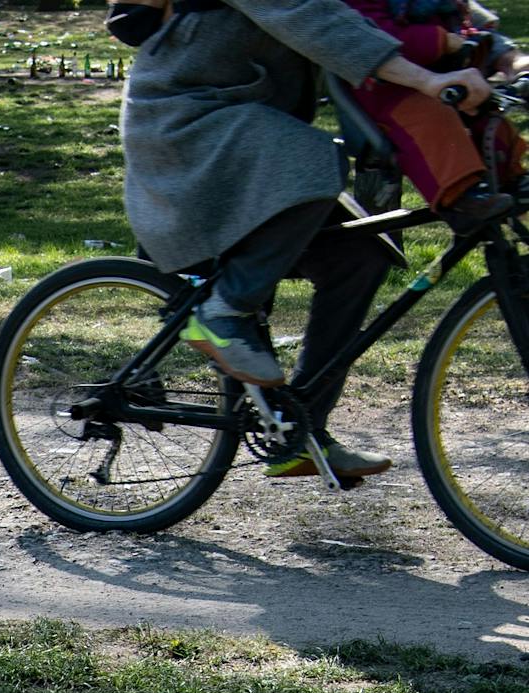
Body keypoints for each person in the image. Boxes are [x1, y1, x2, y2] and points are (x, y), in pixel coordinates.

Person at [118, 0, 498, 484]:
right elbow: (317, 22)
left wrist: (490, 44)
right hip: (186, 128)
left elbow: (389, 15)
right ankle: (224, 311)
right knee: (315, 158)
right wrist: (426, 80)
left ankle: (299, 430)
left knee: (360, 256)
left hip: (244, 139)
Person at [345, 0, 522, 219]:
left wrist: (470, 41)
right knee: (431, 119)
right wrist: (440, 40)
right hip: (391, 89)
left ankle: (512, 177)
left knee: (488, 112)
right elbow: (369, 39)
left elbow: (462, 23)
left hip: (443, 76)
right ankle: (461, 194)